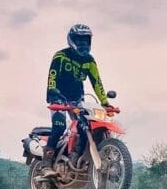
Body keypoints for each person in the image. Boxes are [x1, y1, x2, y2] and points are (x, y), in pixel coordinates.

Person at [39, 24, 114, 177]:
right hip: (58, 97)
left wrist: (105, 102)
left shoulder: (89, 61)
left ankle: (76, 156)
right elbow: (52, 76)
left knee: (85, 125)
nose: (83, 43)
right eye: (79, 40)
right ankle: (46, 165)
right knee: (59, 127)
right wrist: (53, 91)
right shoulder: (61, 56)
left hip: (78, 98)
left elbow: (96, 82)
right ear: (71, 40)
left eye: (85, 40)